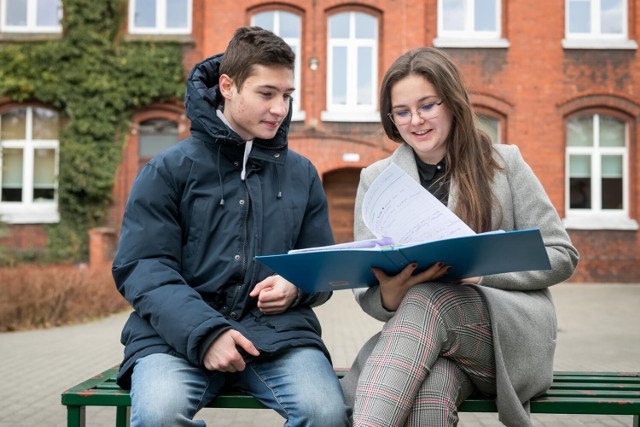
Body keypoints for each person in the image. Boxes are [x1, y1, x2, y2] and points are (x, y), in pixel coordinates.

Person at [112, 26, 351, 427]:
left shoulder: (302, 174)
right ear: (228, 86)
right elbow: (144, 267)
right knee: (158, 415)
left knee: (326, 414)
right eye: (266, 93)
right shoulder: (167, 170)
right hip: (175, 339)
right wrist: (206, 334)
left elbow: (319, 264)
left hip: (278, 337)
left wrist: (296, 285)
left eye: (287, 96)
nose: (280, 108)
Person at [340, 47, 580, 427]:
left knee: (429, 297)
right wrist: (389, 293)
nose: (415, 120)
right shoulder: (376, 179)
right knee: (430, 402)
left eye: (427, 105)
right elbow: (369, 296)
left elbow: (562, 254)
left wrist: (482, 273)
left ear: (452, 103)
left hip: (504, 338)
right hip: (432, 343)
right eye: (401, 112)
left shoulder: (504, 162)